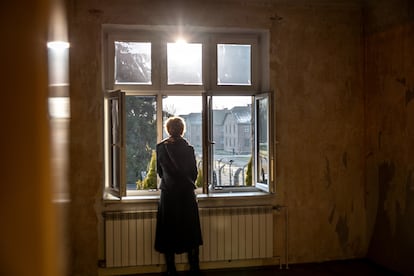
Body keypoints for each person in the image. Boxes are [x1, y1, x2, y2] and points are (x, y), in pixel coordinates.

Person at [154, 116, 203, 275]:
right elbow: (194, 174)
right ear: (182, 130)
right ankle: (194, 267)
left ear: (168, 129)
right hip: (186, 195)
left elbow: (160, 172)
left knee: (168, 230)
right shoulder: (188, 148)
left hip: (168, 194)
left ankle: (171, 269)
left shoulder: (161, 147)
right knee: (191, 231)